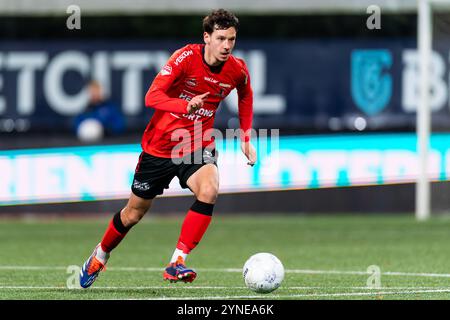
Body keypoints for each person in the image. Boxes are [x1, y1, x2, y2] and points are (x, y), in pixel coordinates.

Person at [79, 8, 256, 288]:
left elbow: (245, 94)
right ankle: (100, 254)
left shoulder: (237, 69)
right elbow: (152, 96)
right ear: (206, 37)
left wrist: (246, 136)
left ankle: (177, 262)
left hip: (196, 143)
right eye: (221, 38)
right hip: (159, 147)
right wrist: (184, 105)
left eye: (231, 39)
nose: (226, 46)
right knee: (133, 213)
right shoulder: (185, 57)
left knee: (209, 189)